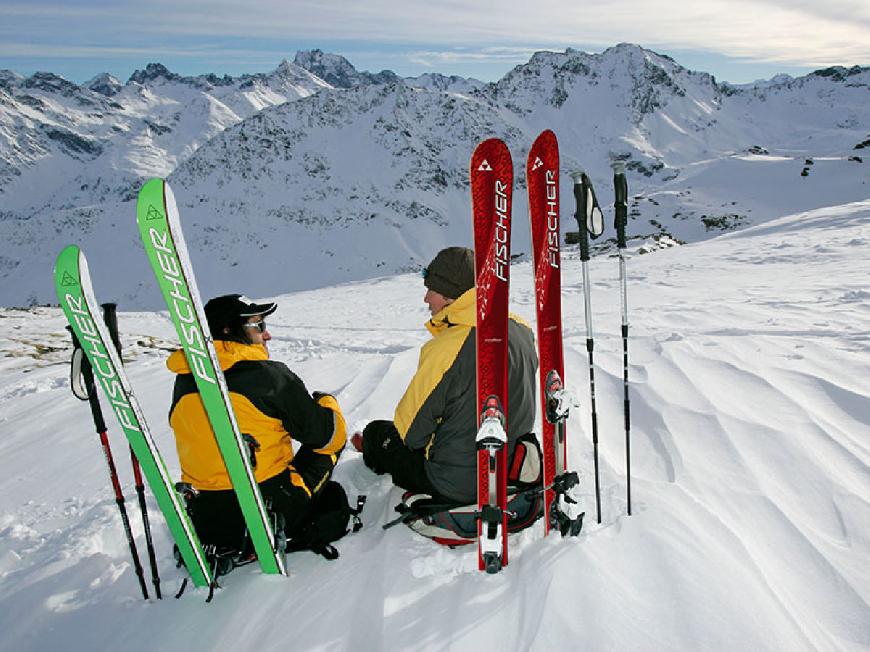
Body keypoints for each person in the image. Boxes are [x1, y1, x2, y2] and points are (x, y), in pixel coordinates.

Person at [354, 247, 538, 505]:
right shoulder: (521, 328)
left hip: (458, 481)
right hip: (512, 464)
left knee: (378, 433)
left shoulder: (448, 348)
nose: (426, 299)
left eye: (432, 290)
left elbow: (411, 435)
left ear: (452, 297)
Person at [167, 293, 347, 552]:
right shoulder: (268, 377)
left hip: (208, 517)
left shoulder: (184, 381)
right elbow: (326, 435)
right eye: (258, 326)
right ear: (230, 331)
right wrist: (328, 402)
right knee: (327, 441)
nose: (267, 334)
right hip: (269, 509)